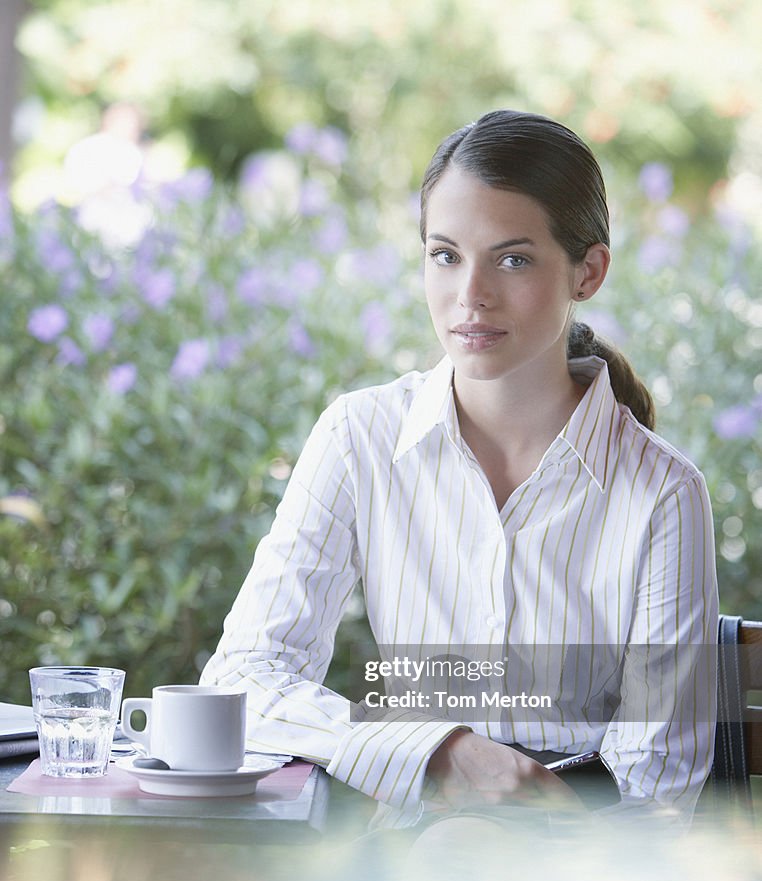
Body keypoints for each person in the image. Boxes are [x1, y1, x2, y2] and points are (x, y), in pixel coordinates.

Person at [200, 110, 718, 831]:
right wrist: (442, 752)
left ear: (588, 271)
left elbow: (658, 786)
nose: (470, 295)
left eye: (513, 259)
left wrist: (530, 838)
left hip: (587, 867)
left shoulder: (662, 491)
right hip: (418, 856)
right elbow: (243, 680)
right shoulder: (361, 438)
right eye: (445, 255)